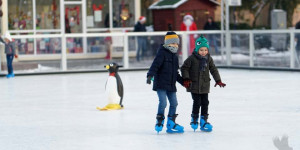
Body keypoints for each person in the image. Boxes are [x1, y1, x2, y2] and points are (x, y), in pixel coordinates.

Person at [181, 35, 226, 132]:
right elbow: (184, 68)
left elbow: (213, 69)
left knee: (205, 102)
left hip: (205, 84)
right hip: (194, 85)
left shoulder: (208, 58)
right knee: (197, 102)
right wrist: (186, 78)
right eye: (201, 50)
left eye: (205, 50)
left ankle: (203, 120)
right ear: (197, 49)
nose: (203, 52)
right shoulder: (192, 58)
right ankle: (194, 119)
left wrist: (218, 80)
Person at [146, 30, 184, 133]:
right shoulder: (162, 53)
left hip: (171, 84)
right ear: (167, 43)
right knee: (163, 102)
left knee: (174, 103)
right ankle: (160, 120)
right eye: (172, 43)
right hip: (161, 84)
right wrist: (150, 75)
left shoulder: (175, 57)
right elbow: (155, 65)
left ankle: (171, 122)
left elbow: (176, 73)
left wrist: (183, 82)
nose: (175, 45)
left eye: (176, 43)